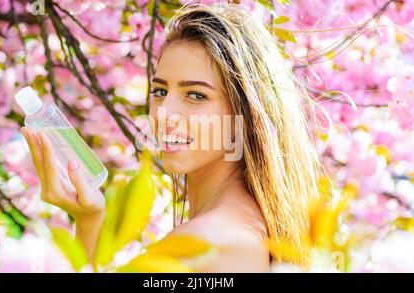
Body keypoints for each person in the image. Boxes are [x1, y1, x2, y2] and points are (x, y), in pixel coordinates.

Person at [21, 3, 322, 272]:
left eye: (195, 95)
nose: (164, 113)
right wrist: (88, 219)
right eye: (160, 91)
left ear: (247, 113)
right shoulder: (253, 228)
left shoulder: (204, 243)